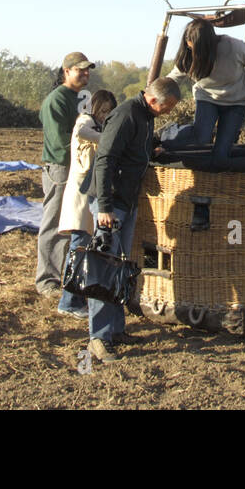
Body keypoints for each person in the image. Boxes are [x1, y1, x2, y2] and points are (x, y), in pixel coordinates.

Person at [87, 77, 181, 362]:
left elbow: (131, 150)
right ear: (154, 100)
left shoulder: (144, 115)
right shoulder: (127, 114)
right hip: (112, 203)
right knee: (104, 269)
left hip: (125, 201)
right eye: (168, 107)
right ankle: (98, 338)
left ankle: (115, 330)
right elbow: (105, 159)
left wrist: (149, 151)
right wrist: (104, 206)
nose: (168, 112)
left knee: (119, 267)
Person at [163, 19, 245, 163]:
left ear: (208, 44)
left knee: (221, 155)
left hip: (236, 102)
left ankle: (216, 182)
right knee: (202, 137)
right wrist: (155, 92)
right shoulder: (188, 55)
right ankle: (166, 134)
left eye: (195, 46)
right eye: (189, 45)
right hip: (207, 98)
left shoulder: (234, 47)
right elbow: (174, 77)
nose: (191, 48)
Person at [35, 51, 94, 301]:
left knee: (74, 223)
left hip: (79, 166)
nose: (85, 73)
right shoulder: (57, 100)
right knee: (56, 223)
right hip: (61, 167)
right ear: (66, 71)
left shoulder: (83, 97)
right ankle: (47, 279)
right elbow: (60, 142)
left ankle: (70, 275)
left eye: (87, 69)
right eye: (80, 69)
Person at [55, 89, 117, 318]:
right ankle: (69, 302)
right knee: (79, 248)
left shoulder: (97, 125)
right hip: (81, 196)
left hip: (87, 194)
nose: (105, 114)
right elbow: (83, 131)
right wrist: (111, 139)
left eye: (109, 111)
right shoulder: (85, 121)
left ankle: (75, 299)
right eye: (103, 110)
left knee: (83, 248)